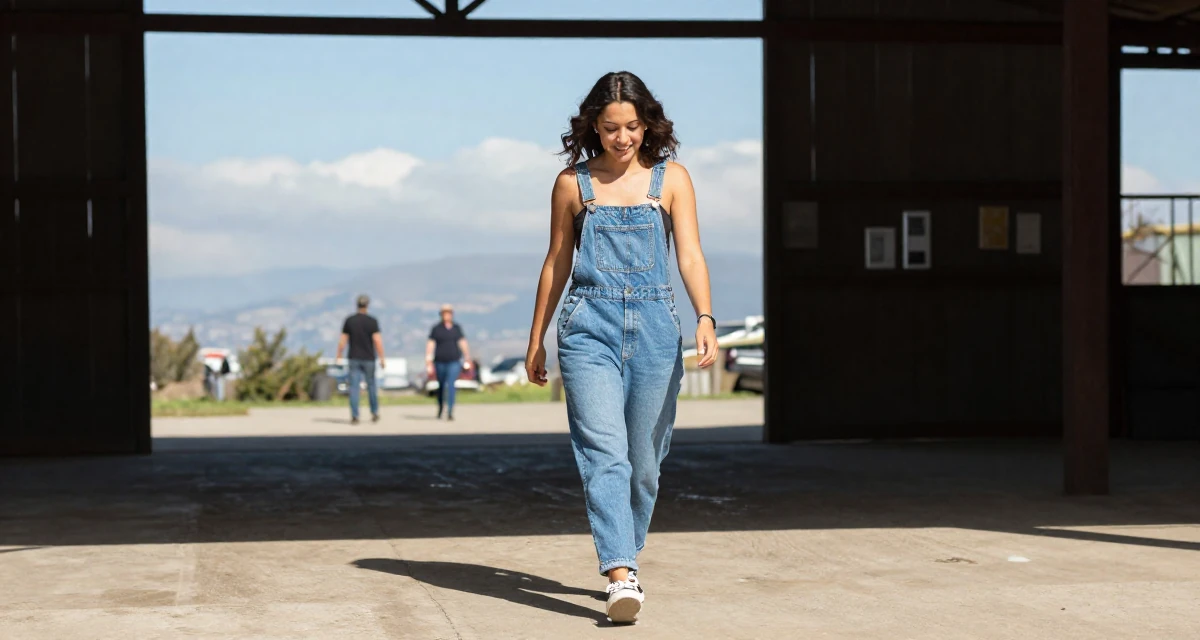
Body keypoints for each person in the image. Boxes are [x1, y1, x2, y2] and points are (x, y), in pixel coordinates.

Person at [524, 71, 718, 624]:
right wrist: (536, 337)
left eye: (632, 126)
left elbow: (690, 256)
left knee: (644, 462)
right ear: (594, 127)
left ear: (647, 124)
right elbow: (557, 262)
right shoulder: (572, 184)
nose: (623, 137)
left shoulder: (672, 179)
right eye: (611, 128)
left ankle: (625, 550)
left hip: (657, 325)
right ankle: (619, 572)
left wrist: (704, 315)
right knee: (604, 452)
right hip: (589, 325)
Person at [336, 294, 385, 425]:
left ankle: (355, 415)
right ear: (367, 305)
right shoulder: (372, 321)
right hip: (369, 358)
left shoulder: (350, 320)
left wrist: (338, 355)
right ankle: (374, 412)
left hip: (354, 357)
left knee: (354, 388)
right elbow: (377, 341)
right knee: (371, 386)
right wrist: (382, 358)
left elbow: (343, 340)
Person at [425, 303, 472, 421]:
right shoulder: (436, 329)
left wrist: (467, 357)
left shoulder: (456, 328)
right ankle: (441, 407)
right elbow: (431, 344)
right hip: (440, 361)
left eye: (448, 313)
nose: (446, 315)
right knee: (441, 385)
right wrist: (428, 360)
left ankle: (450, 410)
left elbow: (462, 342)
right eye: (444, 313)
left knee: (451, 384)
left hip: (454, 361)